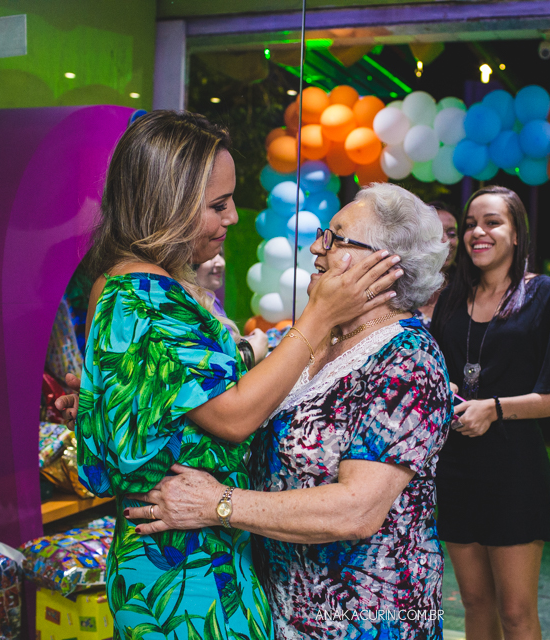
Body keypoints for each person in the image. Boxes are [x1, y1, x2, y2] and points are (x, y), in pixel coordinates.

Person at [75, 111, 401, 639]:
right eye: (218, 205)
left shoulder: (126, 282)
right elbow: (233, 416)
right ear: (169, 205)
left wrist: (251, 354)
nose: (232, 218)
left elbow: (186, 390)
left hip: (192, 551)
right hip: (185, 566)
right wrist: (319, 316)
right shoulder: (144, 293)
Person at [121, 183, 453, 640]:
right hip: (281, 609)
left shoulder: (408, 359)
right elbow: (227, 394)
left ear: (383, 266)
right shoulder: (316, 341)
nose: (317, 245)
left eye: (335, 237)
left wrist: (217, 504)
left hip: (364, 620)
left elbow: (356, 511)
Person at [431, 186, 550, 640]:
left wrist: (496, 409)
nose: (477, 232)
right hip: (456, 468)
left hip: (514, 469)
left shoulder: (545, 295)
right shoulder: (450, 298)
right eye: (470, 225)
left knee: (516, 612)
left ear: (517, 234)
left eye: (492, 222)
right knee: (475, 604)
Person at [194, 251, 268, 368]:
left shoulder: (211, 299)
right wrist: (256, 348)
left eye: (221, 255)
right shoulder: (191, 307)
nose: (221, 263)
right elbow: (219, 368)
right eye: (210, 256)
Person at [416, 201, 459, 328]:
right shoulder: (399, 289)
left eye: (452, 234)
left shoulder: (467, 291)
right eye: (436, 233)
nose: (446, 241)